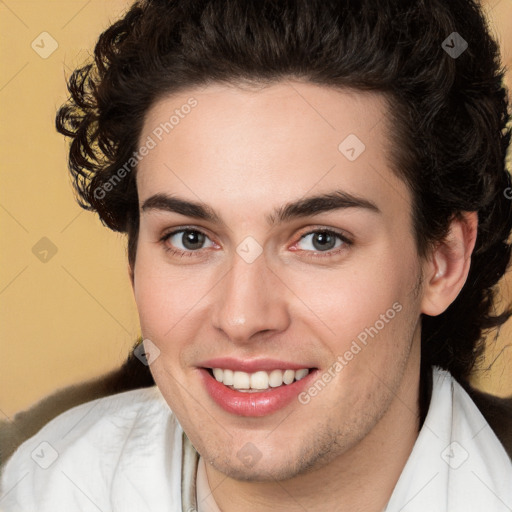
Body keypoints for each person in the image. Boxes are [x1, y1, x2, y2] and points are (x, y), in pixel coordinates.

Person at [1, 0, 512, 510]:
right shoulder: (45, 487)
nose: (242, 317)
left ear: (441, 263)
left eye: (320, 240)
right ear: (134, 261)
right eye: (190, 238)